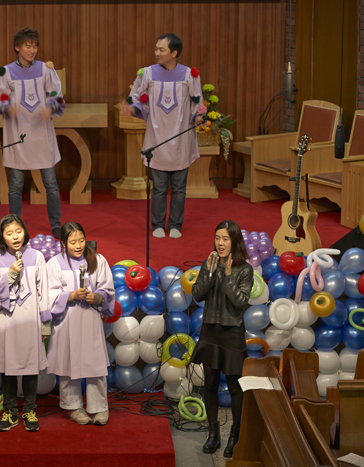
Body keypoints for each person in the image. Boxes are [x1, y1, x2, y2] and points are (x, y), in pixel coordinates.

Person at [121, 33, 206, 239]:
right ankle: (157, 224)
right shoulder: (147, 73)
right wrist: (132, 108)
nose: (157, 53)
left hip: (181, 138)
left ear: (174, 53)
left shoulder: (190, 75)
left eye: (162, 49)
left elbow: (197, 101)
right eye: (156, 49)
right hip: (157, 137)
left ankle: (175, 224)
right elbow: (135, 97)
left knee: (179, 188)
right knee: (158, 188)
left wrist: (198, 116)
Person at [0, 27, 65, 239]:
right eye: (27, 46)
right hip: (18, 134)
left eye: (35, 46)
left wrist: (50, 107)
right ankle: (14, 224)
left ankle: (56, 224)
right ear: (17, 47)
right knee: (15, 185)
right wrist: (6, 108)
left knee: (51, 184)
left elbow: (57, 95)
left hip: (41, 134)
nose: (32, 50)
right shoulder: (5, 72)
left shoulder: (45, 70)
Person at [190, 220, 253, 458]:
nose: (220, 243)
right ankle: (213, 434)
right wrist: (209, 272)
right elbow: (197, 294)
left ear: (234, 241)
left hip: (232, 333)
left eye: (225, 239)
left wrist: (227, 277)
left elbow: (239, 302)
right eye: (217, 238)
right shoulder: (210, 263)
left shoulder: (245, 269)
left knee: (235, 386)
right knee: (210, 384)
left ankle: (235, 435)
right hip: (210, 331)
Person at [0, 214, 51, 432]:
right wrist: (10, 275)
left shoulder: (37, 257)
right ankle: (10, 412)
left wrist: (45, 321)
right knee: (8, 368)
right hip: (8, 322)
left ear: (25, 232)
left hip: (30, 320)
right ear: (2, 236)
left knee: (30, 368)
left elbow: (44, 290)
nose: (15, 237)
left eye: (18, 231)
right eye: (9, 233)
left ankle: (29, 411)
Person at [46, 222, 115, 426]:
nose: (78, 245)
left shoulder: (97, 260)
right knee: (69, 363)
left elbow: (107, 287)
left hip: (90, 319)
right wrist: (71, 296)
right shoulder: (55, 263)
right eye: (72, 242)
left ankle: (100, 407)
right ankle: (73, 407)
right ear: (63, 243)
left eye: (81, 240)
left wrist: (97, 297)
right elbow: (49, 293)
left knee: (95, 363)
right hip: (67, 319)